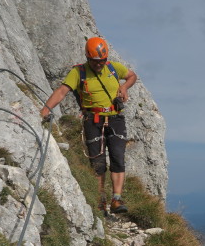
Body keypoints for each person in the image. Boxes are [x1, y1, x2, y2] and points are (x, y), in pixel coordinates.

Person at [40, 37, 137, 214]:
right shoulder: (79, 72)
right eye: (96, 61)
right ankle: (100, 201)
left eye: (102, 61)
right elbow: (62, 91)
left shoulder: (114, 68)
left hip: (115, 117)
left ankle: (116, 199)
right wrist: (45, 111)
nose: (99, 64)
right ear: (88, 57)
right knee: (97, 162)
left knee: (118, 157)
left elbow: (132, 76)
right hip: (93, 119)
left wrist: (124, 88)